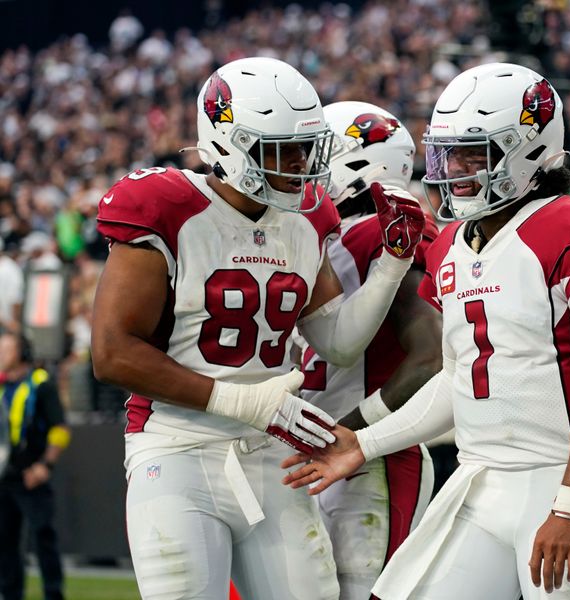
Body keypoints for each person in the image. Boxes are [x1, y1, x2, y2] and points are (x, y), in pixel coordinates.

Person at [283, 62, 570, 599]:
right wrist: (362, 444)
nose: (455, 167)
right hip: (480, 478)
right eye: (448, 152)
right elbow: (457, 382)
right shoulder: (453, 243)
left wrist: (569, 507)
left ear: (529, 149)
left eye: (474, 153)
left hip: (560, 479)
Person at [90, 57, 426, 600]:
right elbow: (112, 354)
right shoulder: (166, 207)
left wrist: (391, 264)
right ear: (228, 144)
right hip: (177, 446)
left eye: (304, 146)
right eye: (282, 148)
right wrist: (243, 402)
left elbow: (338, 343)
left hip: (272, 449)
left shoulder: (308, 217)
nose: (300, 163)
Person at [300, 100, 441, 598]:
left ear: (356, 163)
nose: (305, 169)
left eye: (318, 156)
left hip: (369, 457)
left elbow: (433, 355)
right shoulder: (321, 239)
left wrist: (350, 430)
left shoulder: (381, 236)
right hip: (321, 456)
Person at [0, 332, 71, 600]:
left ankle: (53, 594)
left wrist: (45, 466)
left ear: (22, 353)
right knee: (5, 541)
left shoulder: (41, 384)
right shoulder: (2, 384)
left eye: (6, 349)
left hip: (32, 477)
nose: (1, 355)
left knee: (43, 537)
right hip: (4, 477)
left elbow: (60, 430)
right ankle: (10, 594)